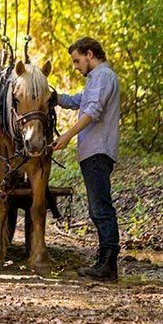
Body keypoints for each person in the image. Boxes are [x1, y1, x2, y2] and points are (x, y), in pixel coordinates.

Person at [53, 37, 121, 282]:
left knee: (101, 208)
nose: (76, 66)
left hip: (98, 150)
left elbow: (92, 111)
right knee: (97, 208)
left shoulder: (104, 77)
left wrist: (68, 136)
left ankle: (108, 264)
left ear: (90, 54)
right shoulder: (96, 79)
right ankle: (104, 262)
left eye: (77, 61)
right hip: (92, 151)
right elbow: (77, 101)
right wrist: (53, 97)